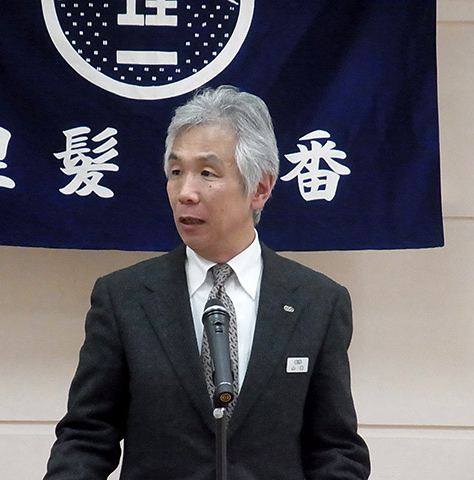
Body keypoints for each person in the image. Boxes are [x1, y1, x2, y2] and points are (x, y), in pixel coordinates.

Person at [43, 85, 370, 479]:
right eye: (176, 172)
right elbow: (86, 438)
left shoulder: (318, 302)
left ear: (260, 188)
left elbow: (335, 449)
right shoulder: (123, 298)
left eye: (207, 173)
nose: (185, 193)